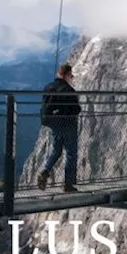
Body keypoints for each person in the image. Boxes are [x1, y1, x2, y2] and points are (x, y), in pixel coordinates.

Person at [38, 63, 82, 193]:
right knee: (71, 154)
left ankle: (46, 171)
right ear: (67, 75)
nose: (72, 78)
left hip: (53, 123)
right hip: (68, 124)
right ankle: (68, 184)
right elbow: (76, 109)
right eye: (71, 76)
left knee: (56, 151)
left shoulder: (48, 87)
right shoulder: (69, 91)